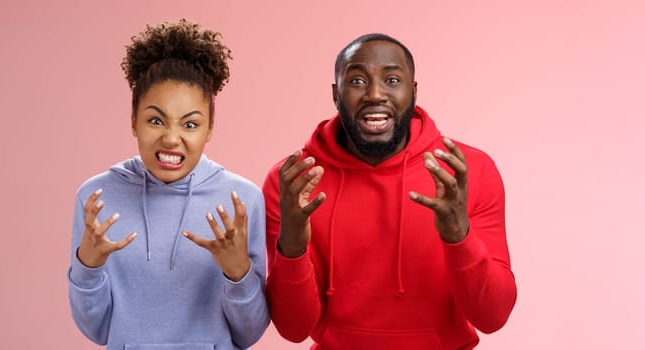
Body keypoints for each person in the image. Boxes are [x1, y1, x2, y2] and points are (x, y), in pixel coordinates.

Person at [263, 33, 517, 349]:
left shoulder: (468, 170)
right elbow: (294, 328)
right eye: (356, 81)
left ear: (413, 91)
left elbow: (493, 316)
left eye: (392, 79)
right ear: (335, 93)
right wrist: (293, 247)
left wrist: (458, 234)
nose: (375, 94)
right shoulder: (294, 180)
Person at [67, 19, 269, 349]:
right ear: (133, 120)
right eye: (155, 120)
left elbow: (249, 334)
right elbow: (97, 330)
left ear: (209, 129)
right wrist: (87, 266)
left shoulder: (241, 200)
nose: (171, 138)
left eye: (189, 124)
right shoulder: (96, 198)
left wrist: (238, 274)